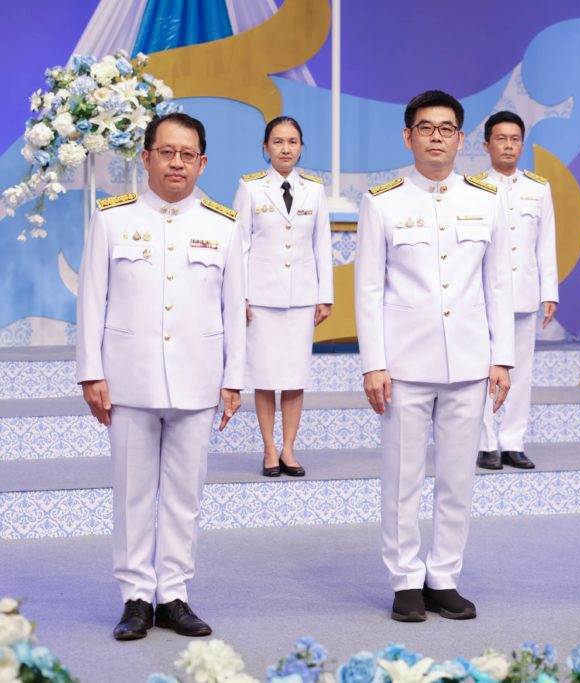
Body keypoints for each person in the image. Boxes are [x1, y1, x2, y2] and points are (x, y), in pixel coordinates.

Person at [76, 112, 245, 639]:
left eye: (187, 154)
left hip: (198, 379)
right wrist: (91, 372)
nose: (177, 163)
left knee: (184, 494)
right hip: (130, 378)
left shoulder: (222, 224)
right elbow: (91, 300)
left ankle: (173, 594)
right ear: (146, 156)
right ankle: (134, 597)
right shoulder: (112, 218)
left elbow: (234, 306)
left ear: (202, 163)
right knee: (132, 493)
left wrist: (233, 378)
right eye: (167, 152)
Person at [355, 90, 514, 622]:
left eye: (447, 129)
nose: (436, 137)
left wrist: (502, 357)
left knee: (457, 478)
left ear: (461, 138)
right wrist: (374, 363)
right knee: (402, 477)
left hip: (469, 361)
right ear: (409, 136)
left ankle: (443, 575)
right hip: (404, 364)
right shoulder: (383, 201)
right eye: (426, 128)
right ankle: (405, 579)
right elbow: (368, 290)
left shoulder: (486, 200)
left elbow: (498, 285)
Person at [233, 116, 333, 477]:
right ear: (265, 147)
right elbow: (240, 245)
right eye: (277, 142)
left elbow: (322, 243)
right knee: (264, 377)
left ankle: (289, 448)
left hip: (302, 297)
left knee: (294, 377)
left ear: (301, 147)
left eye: (292, 142)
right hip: (261, 298)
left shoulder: (315, 190)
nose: (285, 149)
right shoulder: (250, 187)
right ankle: (269, 448)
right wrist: (241, 295)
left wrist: (325, 295)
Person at [475, 111, 558, 471]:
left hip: (524, 292)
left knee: (521, 371)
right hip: (482, 296)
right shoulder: (475, 188)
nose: (508, 146)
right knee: (483, 369)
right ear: (486, 145)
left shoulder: (538, 188)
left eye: (515, 139)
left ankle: (513, 441)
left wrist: (549, 292)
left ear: (522, 145)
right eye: (501, 139)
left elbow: (545, 243)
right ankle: (485, 443)